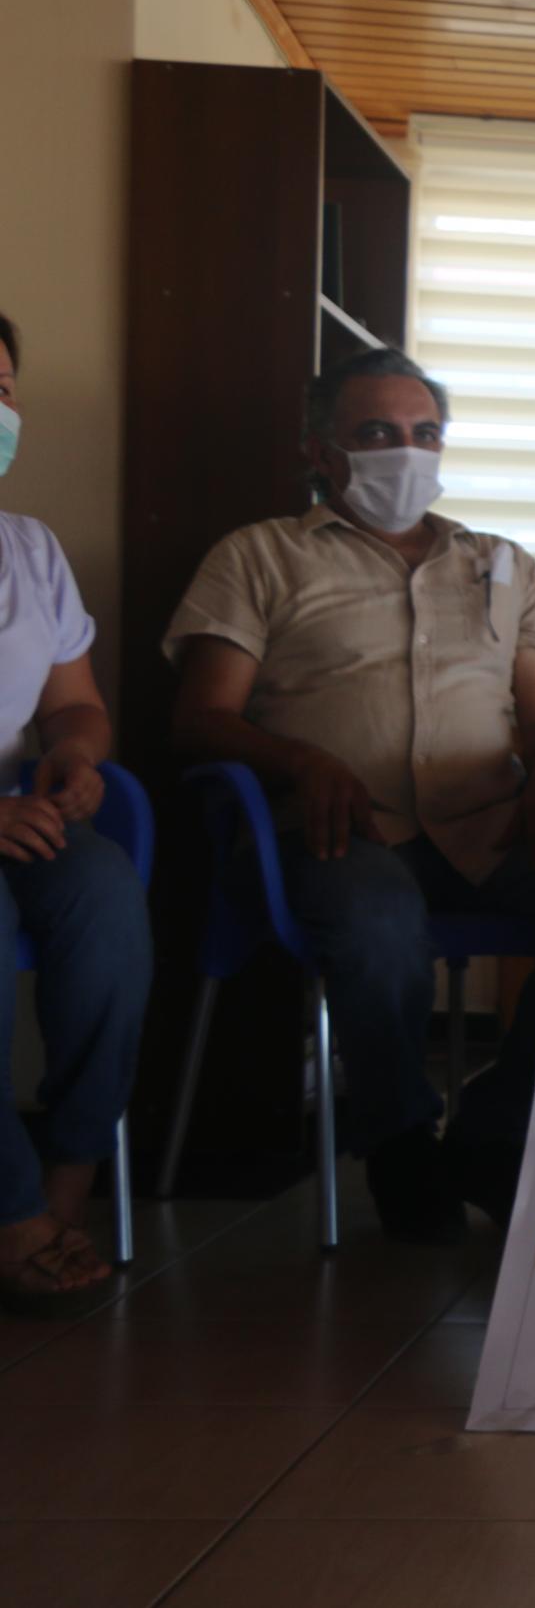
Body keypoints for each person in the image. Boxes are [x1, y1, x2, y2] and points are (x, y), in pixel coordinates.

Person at [168, 348, 535, 1244]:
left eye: (425, 433)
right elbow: (201, 717)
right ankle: (399, 1140)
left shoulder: (501, 561)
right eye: (379, 432)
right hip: (340, 828)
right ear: (322, 451)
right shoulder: (259, 555)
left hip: (488, 824)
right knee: (378, 924)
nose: (407, 451)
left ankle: (492, 1129)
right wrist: (299, 759)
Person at [0, 313, 152, 1316]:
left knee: (106, 904)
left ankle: (67, 1179)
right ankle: (11, 1214)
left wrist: (76, 757)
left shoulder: (30, 549)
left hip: (25, 814)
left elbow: (74, 704)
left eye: (2, 389)